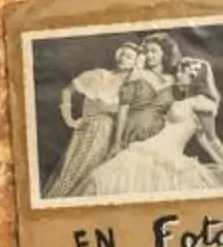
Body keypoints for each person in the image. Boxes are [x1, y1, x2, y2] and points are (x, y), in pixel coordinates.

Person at [82, 53, 223, 198]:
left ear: (194, 78)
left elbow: (210, 139)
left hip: (167, 157)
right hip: (150, 147)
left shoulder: (202, 103)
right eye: (178, 71)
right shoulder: (184, 99)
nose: (178, 75)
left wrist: (221, 161)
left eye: (183, 72)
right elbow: (202, 138)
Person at [51, 42, 138, 197]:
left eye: (129, 57)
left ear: (136, 63)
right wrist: (69, 119)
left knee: (95, 181)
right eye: (122, 54)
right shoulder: (99, 75)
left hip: (112, 138)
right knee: (72, 174)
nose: (123, 58)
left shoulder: (134, 85)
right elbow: (67, 91)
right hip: (89, 132)